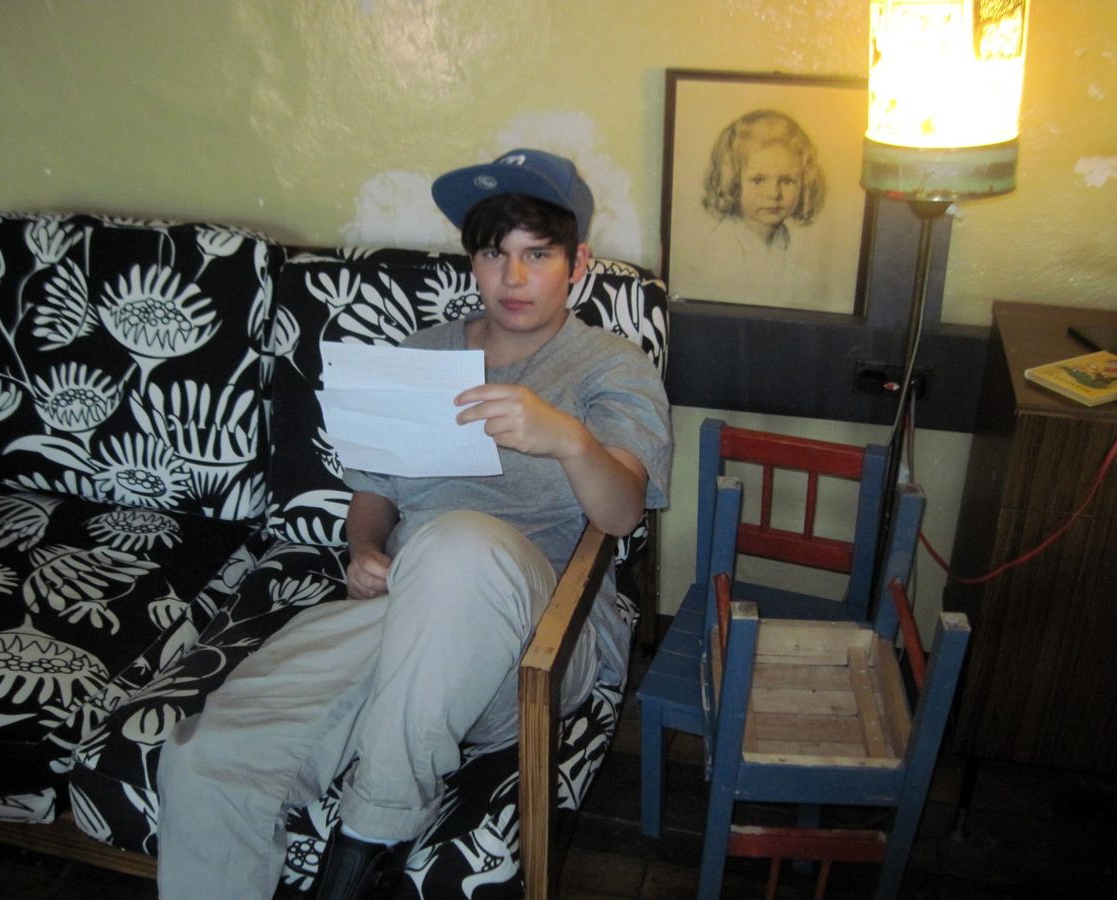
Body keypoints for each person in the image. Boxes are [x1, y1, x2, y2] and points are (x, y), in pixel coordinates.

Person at [155, 148, 672, 900]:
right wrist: (363, 550)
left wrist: (568, 439)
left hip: (539, 640)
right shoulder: (422, 355)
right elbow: (375, 494)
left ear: (578, 264)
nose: (513, 277)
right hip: (402, 610)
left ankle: (372, 833)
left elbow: (621, 512)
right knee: (209, 757)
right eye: (493, 254)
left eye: (537, 255)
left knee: (461, 543)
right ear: (473, 263)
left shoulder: (611, 366)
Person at [696, 109, 826, 305]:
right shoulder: (725, 246)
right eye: (758, 180)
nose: (774, 194)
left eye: (787, 180)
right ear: (733, 182)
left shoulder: (782, 237)